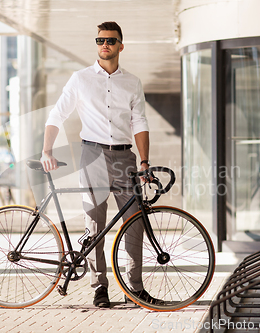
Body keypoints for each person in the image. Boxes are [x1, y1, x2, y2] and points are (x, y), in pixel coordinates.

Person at [40, 21, 157, 308]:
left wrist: (144, 161)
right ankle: (99, 288)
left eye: (110, 40)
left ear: (120, 45)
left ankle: (135, 289)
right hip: (92, 156)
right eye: (99, 40)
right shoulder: (80, 79)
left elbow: (139, 122)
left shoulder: (132, 82)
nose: (104, 44)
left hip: (125, 157)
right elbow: (57, 114)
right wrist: (46, 149)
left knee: (134, 223)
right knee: (96, 225)